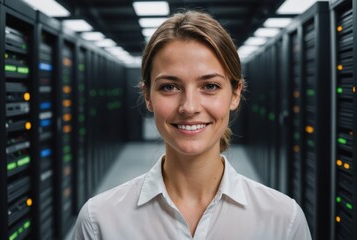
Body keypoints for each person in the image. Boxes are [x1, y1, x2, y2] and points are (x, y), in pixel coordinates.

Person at [73, 10, 312, 240]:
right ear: (147, 96)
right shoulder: (99, 222)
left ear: (235, 94)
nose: (189, 107)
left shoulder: (284, 221)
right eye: (169, 86)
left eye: (210, 86)